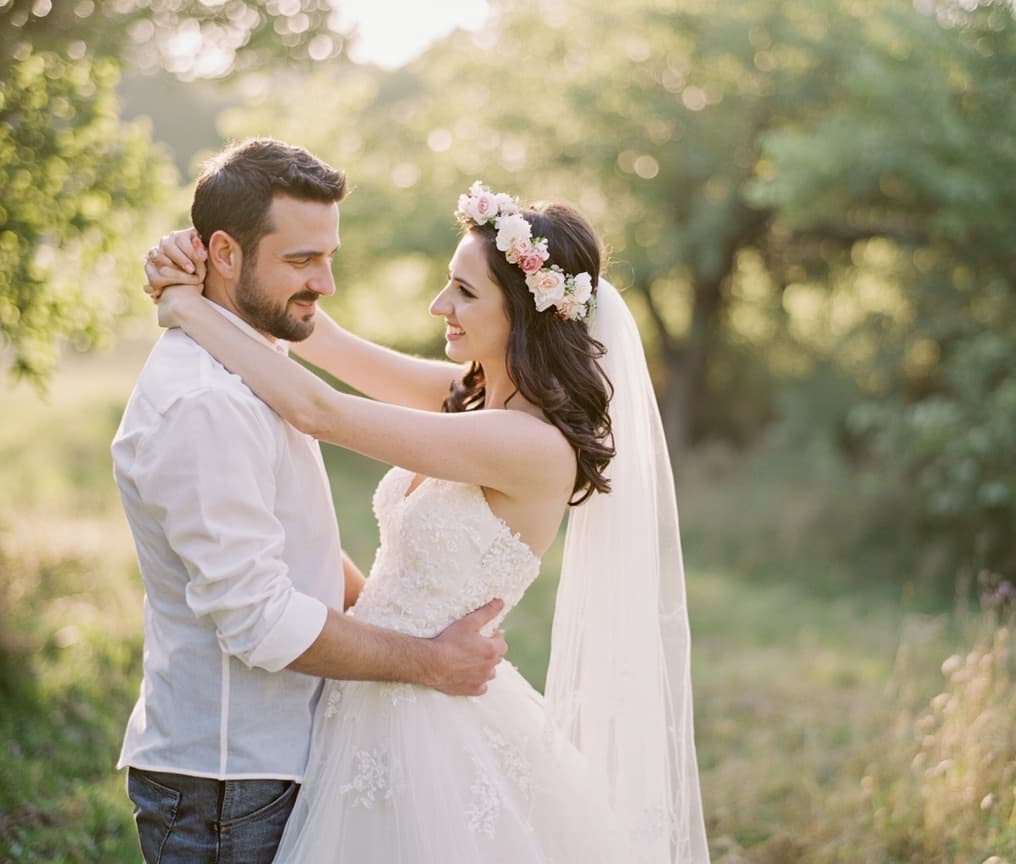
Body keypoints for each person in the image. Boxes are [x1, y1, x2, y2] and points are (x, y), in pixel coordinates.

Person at [146, 180, 710, 861]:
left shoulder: (529, 445)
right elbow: (323, 338)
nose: (441, 305)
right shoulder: (469, 397)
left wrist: (182, 308)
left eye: (465, 293)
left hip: (431, 721)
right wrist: (203, 266)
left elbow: (318, 410)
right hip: (369, 694)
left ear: (525, 315)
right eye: (449, 283)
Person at [115, 139, 507, 864]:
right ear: (224, 253)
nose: (325, 283)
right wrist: (427, 661)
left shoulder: (256, 362)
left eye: (328, 256)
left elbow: (301, 551)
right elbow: (258, 619)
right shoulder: (206, 403)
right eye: (301, 260)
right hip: (230, 784)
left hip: (278, 764)